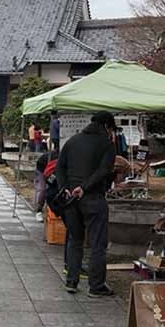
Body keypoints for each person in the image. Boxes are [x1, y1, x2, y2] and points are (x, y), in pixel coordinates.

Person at [56, 111, 116, 297]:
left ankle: (71, 281)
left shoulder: (73, 141)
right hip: (93, 198)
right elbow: (104, 171)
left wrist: (65, 187)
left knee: (75, 240)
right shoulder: (107, 144)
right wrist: (84, 187)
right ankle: (96, 286)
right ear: (107, 126)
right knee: (97, 243)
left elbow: (60, 167)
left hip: (71, 199)